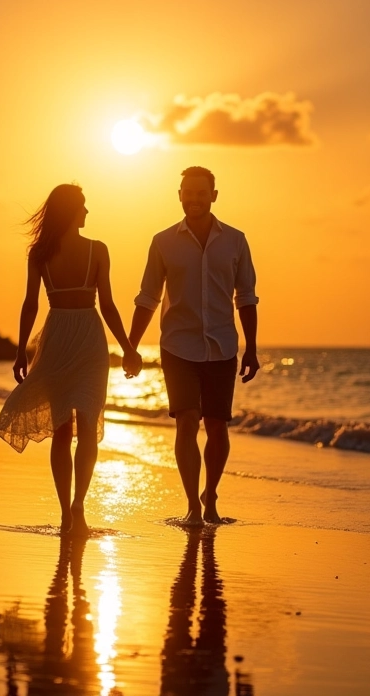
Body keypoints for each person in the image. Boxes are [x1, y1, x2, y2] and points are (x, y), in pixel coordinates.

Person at [0, 183, 141, 536]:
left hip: (59, 337)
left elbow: (31, 304)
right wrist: (127, 348)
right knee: (86, 427)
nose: (87, 211)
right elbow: (107, 306)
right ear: (71, 211)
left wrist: (21, 351)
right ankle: (77, 506)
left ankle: (67, 512)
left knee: (63, 430)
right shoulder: (95, 250)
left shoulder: (40, 253)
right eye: (83, 206)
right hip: (88, 338)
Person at [128, 166, 259, 525]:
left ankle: (210, 495)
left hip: (222, 347)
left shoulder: (235, 241)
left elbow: (246, 297)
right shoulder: (163, 242)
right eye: (189, 192)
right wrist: (131, 346)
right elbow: (147, 297)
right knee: (186, 421)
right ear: (180, 195)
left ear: (213, 196)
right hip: (178, 346)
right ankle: (193, 506)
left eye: (202, 193)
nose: (195, 199)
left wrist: (251, 347)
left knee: (217, 425)